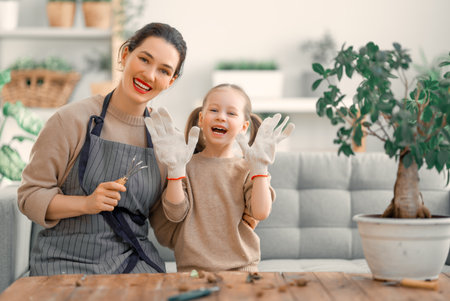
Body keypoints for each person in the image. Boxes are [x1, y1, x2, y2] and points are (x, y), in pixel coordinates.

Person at [17, 22, 187, 275]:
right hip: (64, 262)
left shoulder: (166, 139)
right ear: (125, 54)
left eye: (163, 71)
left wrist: (177, 173)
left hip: (133, 262)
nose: (150, 75)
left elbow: (166, 230)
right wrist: (87, 204)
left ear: (170, 81)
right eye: (144, 59)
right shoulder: (70, 120)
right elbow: (29, 197)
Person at [145, 83, 295, 272]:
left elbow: (261, 212)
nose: (221, 116)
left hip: (242, 269)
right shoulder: (185, 164)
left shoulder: (249, 168)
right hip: (192, 270)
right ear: (201, 118)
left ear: (244, 127)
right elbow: (175, 214)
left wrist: (260, 167)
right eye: (214, 110)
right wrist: (175, 170)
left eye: (231, 113)